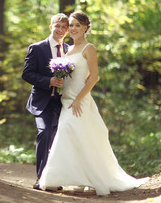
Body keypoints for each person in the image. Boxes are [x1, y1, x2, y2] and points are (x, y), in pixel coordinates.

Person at [38, 12, 148, 195]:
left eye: (77, 26)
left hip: (79, 101)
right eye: (70, 25)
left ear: (85, 28)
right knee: (77, 139)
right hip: (66, 100)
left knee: (71, 134)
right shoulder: (67, 50)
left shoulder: (89, 48)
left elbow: (94, 77)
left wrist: (79, 99)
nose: (72, 29)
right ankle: (71, 177)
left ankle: (60, 179)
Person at [22, 13, 70, 190]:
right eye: (57, 26)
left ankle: (53, 178)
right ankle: (41, 178)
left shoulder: (69, 49)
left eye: (64, 27)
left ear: (67, 30)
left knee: (57, 140)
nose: (60, 30)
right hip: (42, 101)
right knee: (44, 133)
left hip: (62, 102)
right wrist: (48, 81)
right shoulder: (37, 48)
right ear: (51, 27)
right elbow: (26, 74)